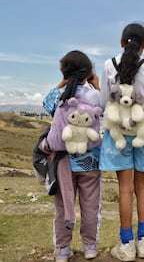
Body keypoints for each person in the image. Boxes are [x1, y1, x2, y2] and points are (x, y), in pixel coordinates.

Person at [99, 23, 144, 261]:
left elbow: (104, 102)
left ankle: (126, 246)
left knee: (124, 190)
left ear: (121, 42)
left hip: (118, 132)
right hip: (143, 134)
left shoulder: (109, 65)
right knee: (142, 188)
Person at [40, 50, 102, 262]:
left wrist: (63, 82)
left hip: (62, 163)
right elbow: (105, 109)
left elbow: (46, 102)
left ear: (64, 72)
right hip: (90, 162)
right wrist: (96, 84)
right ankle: (90, 246)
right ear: (88, 73)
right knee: (91, 206)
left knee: (62, 207)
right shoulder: (95, 97)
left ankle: (62, 251)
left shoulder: (58, 96)